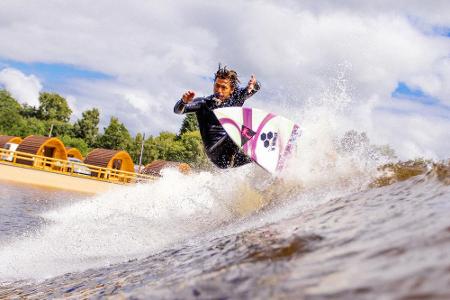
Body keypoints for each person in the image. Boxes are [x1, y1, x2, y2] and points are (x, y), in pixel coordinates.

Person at [174, 64, 261, 169]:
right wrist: (183, 102)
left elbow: (256, 87)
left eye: (224, 87)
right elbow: (178, 110)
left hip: (232, 155)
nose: (219, 90)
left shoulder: (237, 99)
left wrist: (253, 85)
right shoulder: (203, 103)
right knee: (240, 128)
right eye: (217, 85)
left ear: (231, 90)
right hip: (216, 154)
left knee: (255, 157)